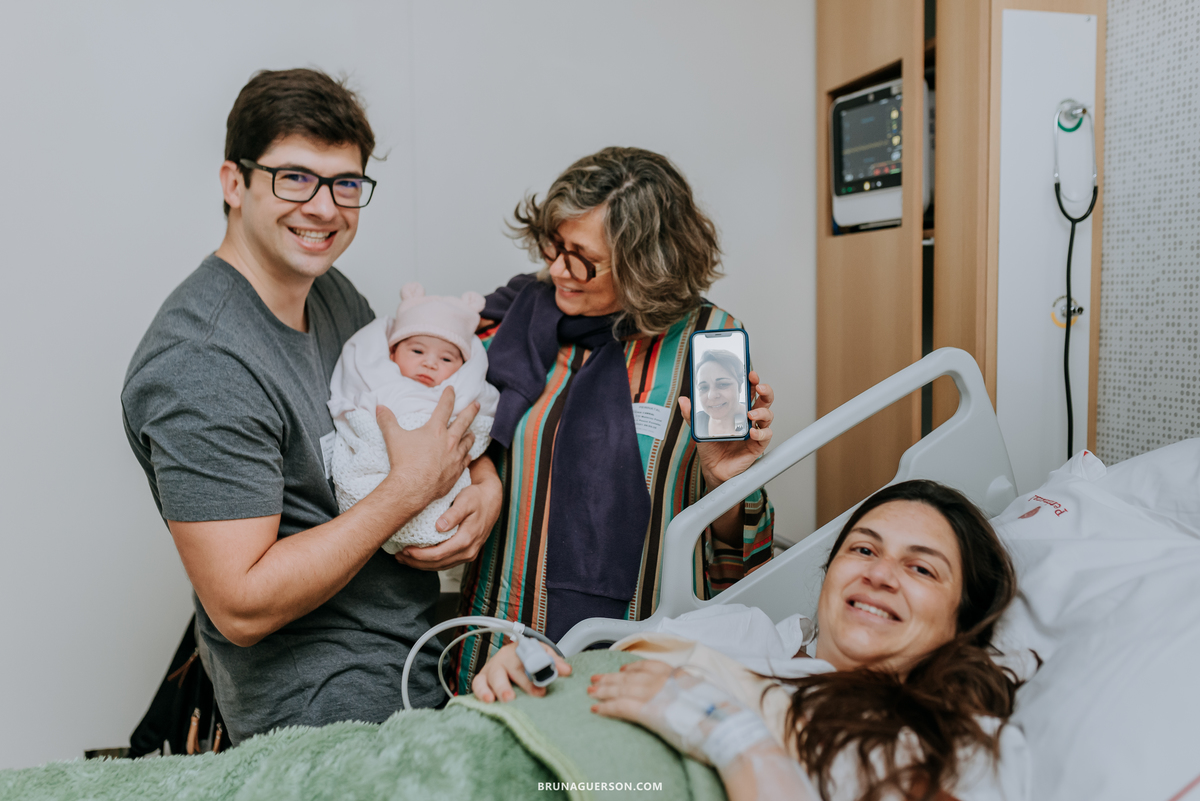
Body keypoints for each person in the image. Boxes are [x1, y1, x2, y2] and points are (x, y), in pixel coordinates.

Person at [121, 69, 502, 746]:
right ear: (234, 184)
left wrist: (482, 482)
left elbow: (414, 407)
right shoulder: (201, 362)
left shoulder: (330, 295)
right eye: (295, 177)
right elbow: (239, 604)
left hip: (421, 655)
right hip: (325, 708)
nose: (325, 208)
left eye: (345, 184)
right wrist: (407, 489)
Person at [475, 480, 1021, 801]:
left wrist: (735, 738)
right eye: (863, 550)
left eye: (922, 570)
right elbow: (602, 677)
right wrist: (529, 671)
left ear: (963, 619)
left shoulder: (958, 741)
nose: (880, 575)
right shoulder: (743, 631)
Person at [454, 146, 777, 686]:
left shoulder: (711, 344)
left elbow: (739, 556)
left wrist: (728, 487)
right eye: (554, 244)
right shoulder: (512, 320)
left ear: (647, 263)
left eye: (581, 257)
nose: (557, 269)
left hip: (645, 652)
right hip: (498, 639)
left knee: (612, 774)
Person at [327, 282, 500, 552]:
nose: (430, 363)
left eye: (446, 359)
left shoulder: (459, 397)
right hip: (372, 498)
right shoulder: (375, 385)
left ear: (461, 368)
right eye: (417, 351)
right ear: (392, 352)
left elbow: (473, 436)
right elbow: (356, 422)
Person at [693, 349, 750, 438]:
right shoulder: (696, 421)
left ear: (740, 386)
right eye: (703, 387)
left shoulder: (751, 417)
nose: (711, 396)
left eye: (723, 384)